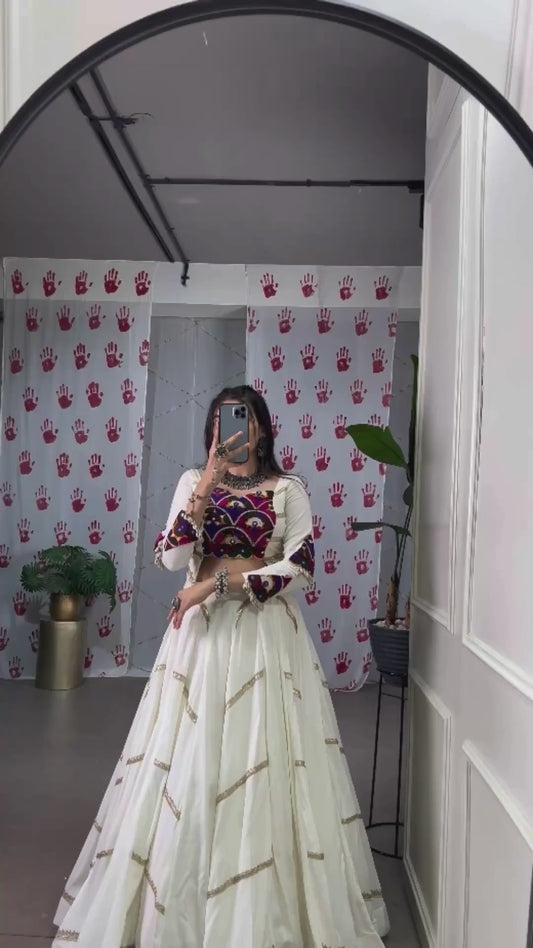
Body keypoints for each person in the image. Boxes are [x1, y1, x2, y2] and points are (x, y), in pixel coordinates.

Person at [53, 385, 390, 947]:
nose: (233, 432)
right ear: (213, 432)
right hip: (201, 644)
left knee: (264, 760)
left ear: (262, 428)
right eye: (222, 423)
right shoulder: (193, 483)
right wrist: (204, 490)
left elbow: (300, 567)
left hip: (265, 642)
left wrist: (221, 583)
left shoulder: (289, 489)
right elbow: (169, 557)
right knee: (190, 762)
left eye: (243, 420)